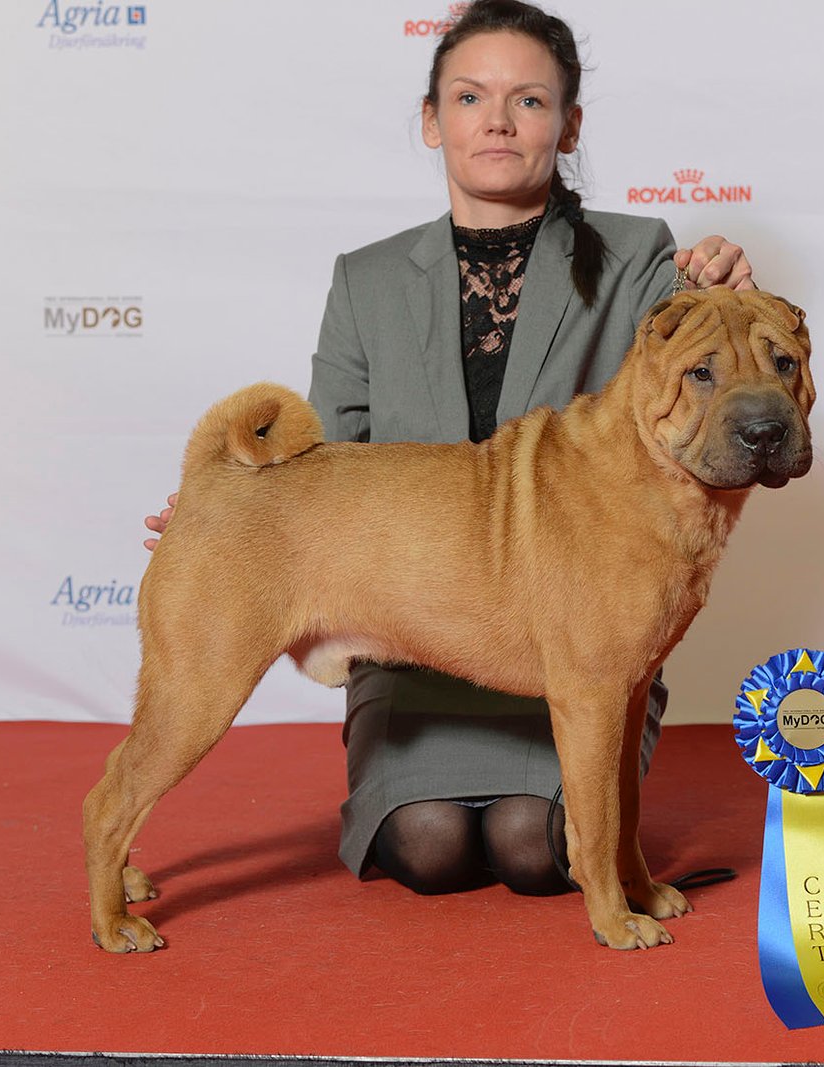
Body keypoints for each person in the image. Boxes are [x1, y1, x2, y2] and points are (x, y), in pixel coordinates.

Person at [144, 0, 755, 898]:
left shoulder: (635, 256)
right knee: (428, 846)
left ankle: (582, 839)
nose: (499, 120)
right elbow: (325, 458)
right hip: (417, 639)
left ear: (569, 123)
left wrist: (728, 288)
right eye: (470, 96)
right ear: (433, 121)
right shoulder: (368, 277)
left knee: (525, 845)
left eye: (530, 100)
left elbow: (705, 383)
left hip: (569, 638)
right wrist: (233, 516)